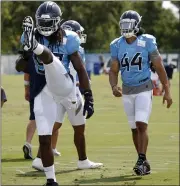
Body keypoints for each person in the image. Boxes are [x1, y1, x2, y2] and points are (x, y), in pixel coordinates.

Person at [16, 2, 94, 185]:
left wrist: (88, 95)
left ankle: (36, 47)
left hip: (65, 85)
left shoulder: (69, 38)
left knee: (52, 62)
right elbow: (22, 67)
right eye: (41, 23)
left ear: (58, 22)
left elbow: (80, 69)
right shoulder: (29, 36)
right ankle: (51, 180)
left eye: (49, 22)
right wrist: (24, 58)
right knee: (44, 137)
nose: (44, 27)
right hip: (45, 91)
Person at [31, 20, 103, 171]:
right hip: (70, 93)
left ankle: (39, 158)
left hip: (54, 91)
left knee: (52, 126)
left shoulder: (51, 45)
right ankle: (82, 160)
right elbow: (79, 71)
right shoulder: (75, 48)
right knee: (79, 127)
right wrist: (88, 94)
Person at [109, 10, 173, 176]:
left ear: (137, 26)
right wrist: (114, 86)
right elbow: (114, 69)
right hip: (128, 90)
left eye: (128, 25)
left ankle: (141, 159)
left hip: (144, 88)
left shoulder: (147, 41)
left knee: (141, 124)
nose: (125, 29)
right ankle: (143, 161)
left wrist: (167, 90)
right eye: (123, 25)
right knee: (133, 129)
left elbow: (159, 67)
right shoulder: (116, 44)